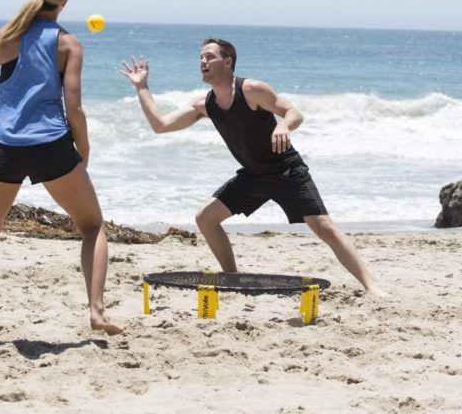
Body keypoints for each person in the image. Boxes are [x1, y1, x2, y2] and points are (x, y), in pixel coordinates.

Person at [120, 38, 386, 296]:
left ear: (228, 61)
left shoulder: (252, 90)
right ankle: (232, 278)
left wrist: (283, 124)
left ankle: (370, 285)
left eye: (209, 56)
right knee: (206, 218)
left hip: (286, 171)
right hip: (253, 175)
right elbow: (161, 125)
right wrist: (142, 87)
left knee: (323, 226)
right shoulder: (205, 104)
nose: (203, 61)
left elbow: (294, 112)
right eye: (201, 57)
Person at [0, 0, 122, 343]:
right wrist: (83, 150)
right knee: (92, 226)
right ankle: (96, 309)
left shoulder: (2, 38)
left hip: (4, 147)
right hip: (51, 145)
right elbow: (74, 109)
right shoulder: (68, 44)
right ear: (67, 0)